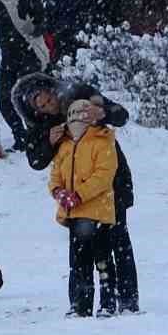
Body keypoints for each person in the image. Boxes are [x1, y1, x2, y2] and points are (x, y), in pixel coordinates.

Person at [14, 71, 138, 311]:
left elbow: (121, 115)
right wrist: (48, 142)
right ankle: (80, 303)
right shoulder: (41, 126)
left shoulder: (80, 97)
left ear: (53, 90)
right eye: (42, 106)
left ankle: (127, 300)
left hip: (111, 186)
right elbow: (36, 161)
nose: (50, 106)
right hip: (75, 198)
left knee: (119, 243)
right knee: (80, 251)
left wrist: (102, 113)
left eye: (49, 98)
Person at [48, 99, 123, 318]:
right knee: (78, 263)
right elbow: (55, 175)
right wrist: (58, 192)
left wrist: (80, 195)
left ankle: (108, 303)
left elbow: (104, 175)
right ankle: (80, 305)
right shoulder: (65, 145)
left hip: (97, 211)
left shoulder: (102, 142)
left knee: (102, 260)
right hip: (74, 214)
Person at [0, 0, 53, 149]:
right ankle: (20, 137)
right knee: (5, 100)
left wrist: (34, 29)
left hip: (29, 54)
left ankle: (37, 134)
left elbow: (44, 20)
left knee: (29, 97)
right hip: (8, 55)